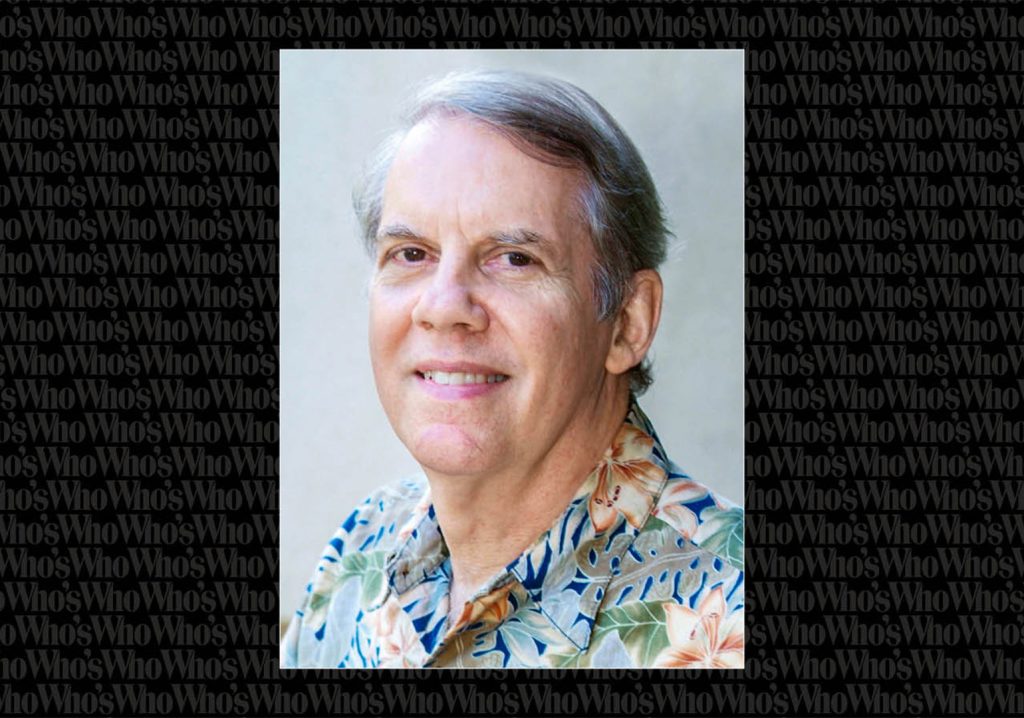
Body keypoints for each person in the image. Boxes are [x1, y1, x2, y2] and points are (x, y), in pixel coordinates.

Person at [281, 69, 743, 669]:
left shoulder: (727, 618)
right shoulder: (361, 550)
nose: (444, 307)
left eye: (514, 259)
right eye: (411, 253)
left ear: (627, 323)